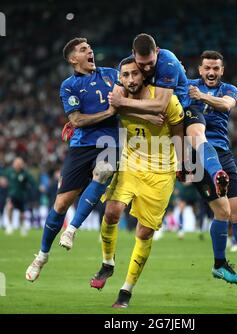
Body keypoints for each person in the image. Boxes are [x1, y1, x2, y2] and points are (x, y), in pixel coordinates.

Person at [90, 57, 184, 308]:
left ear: (143, 75)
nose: (130, 79)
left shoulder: (167, 100)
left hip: (161, 171)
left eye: (134, 74)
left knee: (144, 231)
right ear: (120, 78)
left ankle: (126, 291)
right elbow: (108, 109)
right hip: (131, 163)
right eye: (125, 75)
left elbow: (177, 130)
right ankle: (107, 263)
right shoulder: (117, 95)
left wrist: (183, 162)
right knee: (112, 211)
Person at [25, 37, 121, 282]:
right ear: (72, 59)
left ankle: (73, 229)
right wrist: (109, 112)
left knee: (104, 171)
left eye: (89, 48)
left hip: (110, 141)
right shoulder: (69, 85)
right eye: (83, 49)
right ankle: (42, 255)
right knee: (60, 205)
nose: (90, 51)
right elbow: (77, 120)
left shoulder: (112, 74)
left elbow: (135, 85)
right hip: (81, 146)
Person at [108, 33, 229, 197]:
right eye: (142, 64)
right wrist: (143, 115)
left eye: (151, 63)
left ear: (157, 51)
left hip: (182, 108)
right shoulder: (127, 66)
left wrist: (123, 102)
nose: (148, 68)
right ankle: (182, 165)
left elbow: (160, 105)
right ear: (133, 54)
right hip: (153, 119)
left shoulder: (168, 62)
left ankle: (217, 173)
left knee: (198, 136)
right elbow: (114, 102)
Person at [188, 50, 237, 285]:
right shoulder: (187, 86)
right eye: (207, 68)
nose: (211, 72)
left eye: (216, 68)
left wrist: (201, 96)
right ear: (200, 69)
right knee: (222, 211)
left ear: (222, 70)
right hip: (198, 154)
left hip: (224, 153)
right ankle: (219, 264)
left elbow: (226, 105)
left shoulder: (228, 89)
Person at [3, 157, 37, 236]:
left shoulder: (25, 173)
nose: (17, 165)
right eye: (16, 163)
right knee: (9, 206)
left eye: (19, 163)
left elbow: (32, 182)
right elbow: (3, 177)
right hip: (11, 195)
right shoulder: (9, 171)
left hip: (21, 195)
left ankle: (22, 226)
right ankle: (9, 225)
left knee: (22, 213)